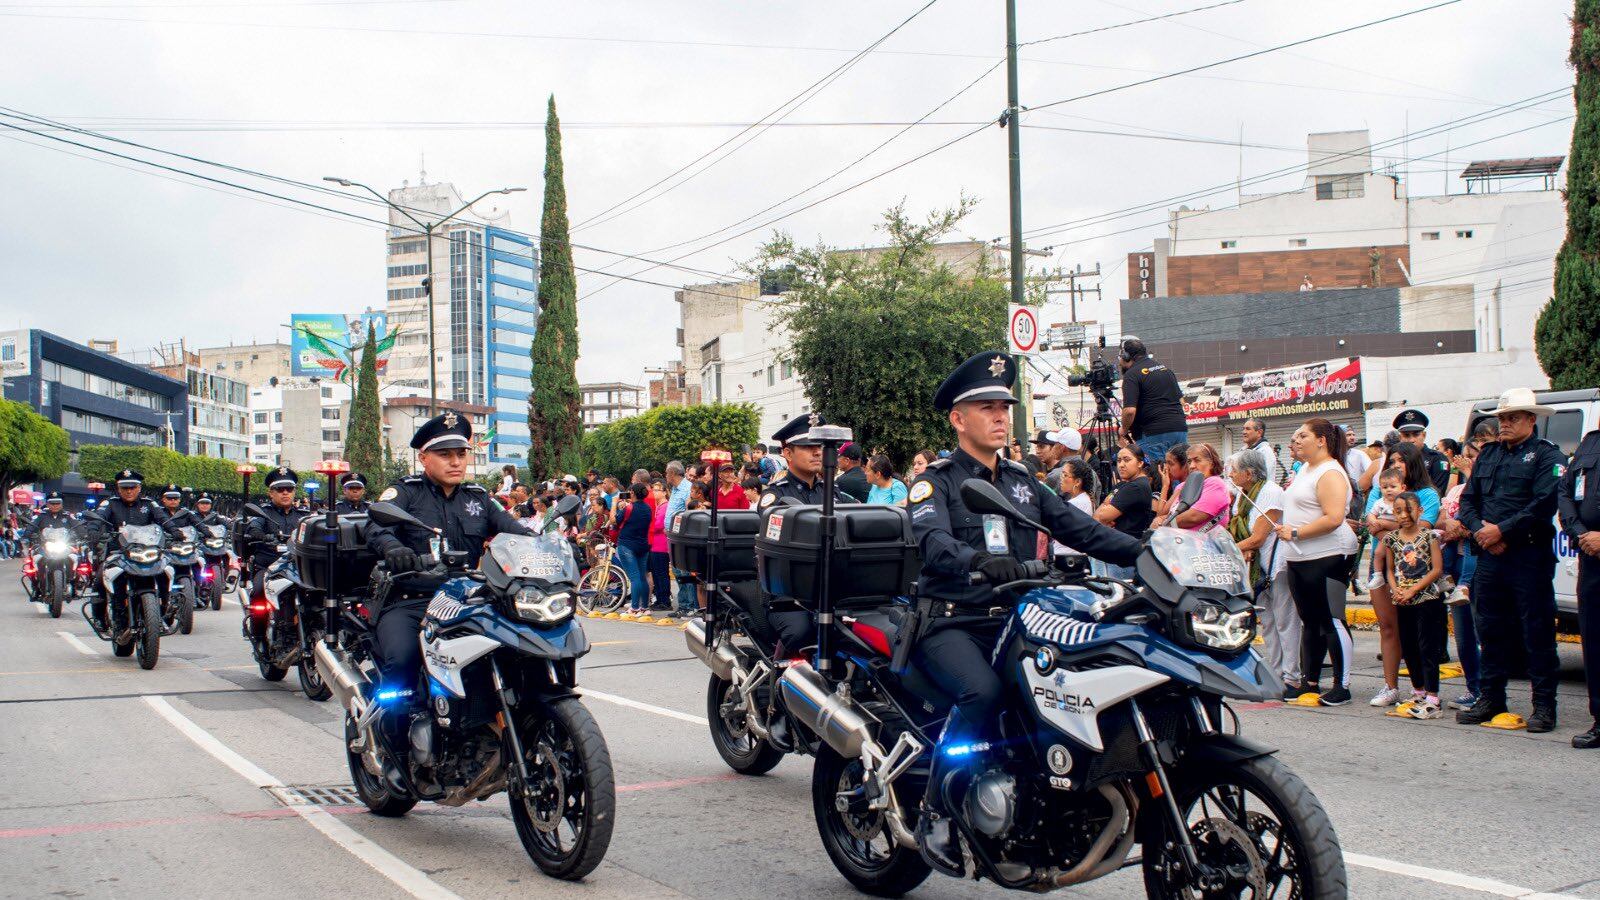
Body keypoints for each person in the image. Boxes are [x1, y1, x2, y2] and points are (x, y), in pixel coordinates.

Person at [908, 351, 1141, 874]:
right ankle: (938, 809)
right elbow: (933, 541)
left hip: (1017, 618)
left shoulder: (1021, 481)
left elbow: (1080, 529)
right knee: (983, 693)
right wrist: (978, 562)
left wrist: (1147, 551)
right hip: (952, 619)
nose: (998, 416)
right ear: (957, 419)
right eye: (986, 406)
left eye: (1003, 407)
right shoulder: (936, 482)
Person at [363, 411, 531, 786]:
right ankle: (397, 753)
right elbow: (374, 524)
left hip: (467, 600)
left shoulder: (478, 499)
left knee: (517, 648)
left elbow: (513, 530)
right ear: (424, 458)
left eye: (461, 453)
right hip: (412, 599)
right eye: (445, 454)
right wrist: (393, 548)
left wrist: (543, 545)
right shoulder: (404, 493)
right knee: (403, 665)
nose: (456, 461)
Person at [1455, 389, 1565, 733]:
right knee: (1490, 628)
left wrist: (1501, 531)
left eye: (1513, 417)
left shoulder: (1547, 456)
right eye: (1502, 418)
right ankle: (1492, 697)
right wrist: (1480, 531)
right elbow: (1469, 501)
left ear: (1531, 420)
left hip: (1527, 556)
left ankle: (1544, 706)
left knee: (1537, 632)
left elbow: (1544, 505)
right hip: (1489, 556)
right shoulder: (1488, 456)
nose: (1504, 424)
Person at [1275, 418, 1360, 706]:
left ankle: (1342, 684)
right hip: (1300, 557)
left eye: (1302, 435)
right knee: (1309, 621)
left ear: (1321, 440)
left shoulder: (1330, 472)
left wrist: (1296, 532)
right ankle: (1309, 682)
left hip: (1328, 556)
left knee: (1331, 619)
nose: (1295, 440)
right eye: (1295, 435)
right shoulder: (1305, 470)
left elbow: (1334, 518)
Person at [756, 413, 852, 652]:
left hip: (832, 588)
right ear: (787, 453)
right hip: (788, 594)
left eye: (819, 446)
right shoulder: (775, 497)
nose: (818, 452)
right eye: (808, 447)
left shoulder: (834, 493)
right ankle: (780, 676)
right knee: (802, 634)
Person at [1363, 444, 1441, 707]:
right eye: (1391, 461)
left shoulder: (1427, 494)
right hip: (1385, 568)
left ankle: (1424, 689)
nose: (1395, 466)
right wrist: (1388, 529)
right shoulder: (1380, 488)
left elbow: (1422, 528)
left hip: (1415, 571)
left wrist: (1385, 526)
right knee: (1388, 627)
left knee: (1417, 633)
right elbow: (1369, 522)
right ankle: (1390, 686)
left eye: (1401, 461)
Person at [1227, 450, 1296, 698]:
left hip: (1277, 565)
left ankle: (1292, 676)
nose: (1231, 474)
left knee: (1285, 620)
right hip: (1258, 568)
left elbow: (1257, 538)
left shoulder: (1270, 492)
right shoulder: (1244, 496)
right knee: (1268, 622)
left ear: (1249, 473)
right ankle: (1276, 673)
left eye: (1234, 470)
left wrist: (1228, 549)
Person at [1381, 491, 1447, 719]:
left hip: (1427, 598)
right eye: (1398, 511)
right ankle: (1418, 689)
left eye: (1409, 510)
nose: (1404, 515)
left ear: (1420, 511)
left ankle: (1433, 696)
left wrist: (1413, 589)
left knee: (1427, 646)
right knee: (1408, 645)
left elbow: (1436, 569)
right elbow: (1389, 569)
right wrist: (1396, 588)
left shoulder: (1430, 537)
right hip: (1402, 598)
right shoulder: (1391, 539)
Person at [1559, 423, 1600, 749]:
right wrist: (1579, 533)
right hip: (1591, 558)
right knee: (1595, 641)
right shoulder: (1589, 444)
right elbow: (1565, 491)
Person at [1438, 441, 1482, 711]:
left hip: (1476, 561)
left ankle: (1488, 690)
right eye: (1464, 456)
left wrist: (1464, 528)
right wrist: (1450, 525)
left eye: (1472, 456)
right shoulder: (1455, 490)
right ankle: (1473, 687)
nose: (1466, 461)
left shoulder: (1485, 489)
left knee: (1482, 631)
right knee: (1463, 633)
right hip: (1454, 557)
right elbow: (1442, 518)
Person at [1117, 337, 1187, 468]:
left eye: (1120, 357)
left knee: (1157, 475)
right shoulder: (1165, 370)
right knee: (1179, 473)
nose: (1119, 362)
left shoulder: (1131, 375)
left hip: (1153, 434)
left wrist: (1123, 429)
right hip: (1179, 429)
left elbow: (1129, 411)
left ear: (1126, 356)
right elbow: (1182, 401)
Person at [1093, 446, 1155, 579]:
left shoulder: (1136, 486)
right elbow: (1097, 516)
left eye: (1127, 460)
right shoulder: (1123, 485)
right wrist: (1105, 510)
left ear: (1140, 463)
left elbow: (1102, 516)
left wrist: (1106, 510)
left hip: (1121, 555)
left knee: (1116, 597)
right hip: (1112, 551)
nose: (1121, 465)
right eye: (1119, 460)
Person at [613, 483, 654, 615]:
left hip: (627, 544)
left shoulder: (629, 508)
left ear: (632, 493)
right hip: (643, 545)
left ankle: (634, 607)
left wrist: (615, 505)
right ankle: (645, 607)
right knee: (642, 577)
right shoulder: (648, 508)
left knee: (634, 578)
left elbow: (615, 521)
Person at [1170, 443, 1230, 531]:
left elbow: (1193, 517)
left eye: (1197, 460)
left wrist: (1165, 523)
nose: (1191, 466)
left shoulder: (1215, 483)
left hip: (1204, 543)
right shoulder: (1191, 484)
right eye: (1189, 462)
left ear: (1212, 463)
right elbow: (1170, 512)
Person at [1393, 408, 1452, 494]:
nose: (1411, 440)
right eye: (1406, 435)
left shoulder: (1438, 459)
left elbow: (1437, 493)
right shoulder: (1395, 459)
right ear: (1400, 438)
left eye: (1416, 434)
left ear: (1424, 435)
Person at [644, 479, 672, 614]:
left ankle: (664, 600)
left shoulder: (665, 506)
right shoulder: (658, 506)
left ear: (664, 492)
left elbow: (660, 524)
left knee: (661, 573)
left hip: (661, 545)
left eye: (657, 490)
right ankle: (660, 598)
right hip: (655, 544)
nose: (654, 493)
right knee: (657, 573)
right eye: (653, 490)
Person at [1151, 443, 1190, 527]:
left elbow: (1159, 515)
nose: (1166, 468)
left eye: (1171, 464)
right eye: (1166, 463)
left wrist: (1165, 486)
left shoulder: (1183, 486)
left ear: (1185, 466)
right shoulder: (1184, 485)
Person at [1241, 417, 1281, 485]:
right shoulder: (1242, 451)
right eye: (1243, 429)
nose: (1243, 432)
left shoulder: (1265, 452)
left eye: (1248, 429)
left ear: (1259, 432)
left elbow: (1263, 479)